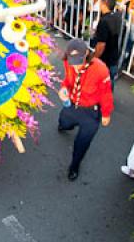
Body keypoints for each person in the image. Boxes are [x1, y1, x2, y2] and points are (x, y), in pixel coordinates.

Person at [57, 39, 114, 181]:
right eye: (72, 62)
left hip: (91, 111)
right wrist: (63, 88)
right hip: (72, 104)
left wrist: (106, 114)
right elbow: (68, 81)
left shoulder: (101, 69)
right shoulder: (68, 62)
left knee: (82, 142)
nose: (75, 66)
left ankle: (74, 166)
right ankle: (66, 125)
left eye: (78, 61)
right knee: (64, 123)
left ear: (87, 53)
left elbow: (106, 93)